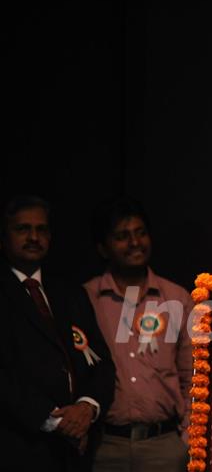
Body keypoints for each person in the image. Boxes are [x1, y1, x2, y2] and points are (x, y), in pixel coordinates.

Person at [0, 195, 115, 472]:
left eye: (41, 230)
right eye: (23, 229)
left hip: (73, 453)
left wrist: (87, 408)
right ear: (4, 238)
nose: (33, 237)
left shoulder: (70, 293)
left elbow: (101, 363)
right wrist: (56, 421)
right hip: (18, 448)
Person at [84, 197, 193, 472]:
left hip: (164, 447)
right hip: (105, 448)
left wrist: (186, 439)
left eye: (140, 233)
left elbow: (192, 374)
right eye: (122, 236)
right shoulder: (87, 298)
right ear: (103, 248)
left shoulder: (177, 298)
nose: (135, 243)